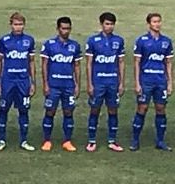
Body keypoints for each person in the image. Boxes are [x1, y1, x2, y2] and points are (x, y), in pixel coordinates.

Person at [0, 12, 36, 151]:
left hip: (23, 81)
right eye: (15, 24)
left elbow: (31, 62)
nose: (18, 27)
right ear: (11, 25)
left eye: (20, 24)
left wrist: (33, 82)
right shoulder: (4, 40)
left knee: (24, 110)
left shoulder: (29, 41)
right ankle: (1, 140)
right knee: (3, 109)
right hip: (8, 81)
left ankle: (24, 140)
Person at [132, 12, 173, 151]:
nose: (157, 24)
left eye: (159, 21)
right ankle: (135, 140)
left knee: (161, 109)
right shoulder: (142, 40)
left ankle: (160, 141)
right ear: (149, 24)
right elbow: (137, 62)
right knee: (142, 108)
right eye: (154, 22)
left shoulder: (166, 41)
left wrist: (170, 82)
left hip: (160, 81)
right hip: (146, 81)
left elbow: (168, 63)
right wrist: (137, 82)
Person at [85, 11, 125, 152]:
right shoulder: (92, 41)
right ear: (101, 24)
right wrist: (89, 84)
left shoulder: (118, 41)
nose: (109, 27)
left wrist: (121, 83)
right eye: (107, 24)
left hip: (112, 82)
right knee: (95, 110)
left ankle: (112, 141)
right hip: (98, 82)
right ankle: (91, 140)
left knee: (113, 110)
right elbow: (89, 63)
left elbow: (121, 62)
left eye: (112, 24)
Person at [40, 17, 82, 152]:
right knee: (50, 111)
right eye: (63, 28)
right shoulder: (49, 44)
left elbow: (76, 66)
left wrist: (77, 85)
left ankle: (67, 141)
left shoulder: (74, 45)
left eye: (68, 28)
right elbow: (44, 65)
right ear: (58, 29)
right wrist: (45, 84)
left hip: (68, 85)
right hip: (53, 85)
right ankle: (47, 140)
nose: (66, 31)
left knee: (68, 112)